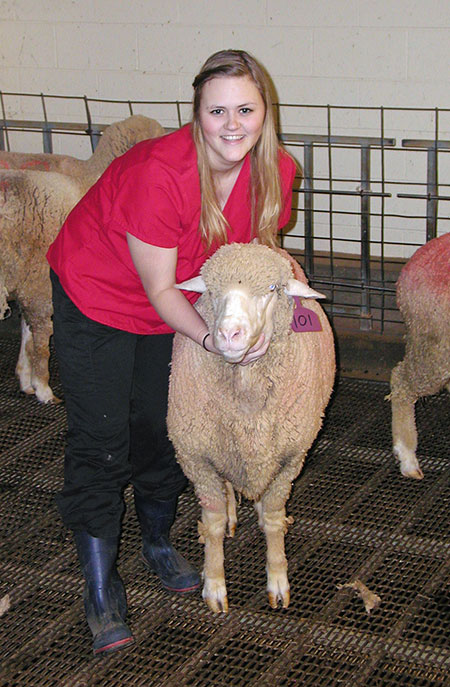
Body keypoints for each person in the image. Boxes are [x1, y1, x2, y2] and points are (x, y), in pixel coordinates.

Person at [46, 49, 297, 655]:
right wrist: (214, 341)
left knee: (164, 428)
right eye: (217, 111)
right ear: (196, 114)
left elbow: (248, 260)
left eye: (245, 109)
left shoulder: (277, 172)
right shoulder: (160, 172)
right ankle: (101, 587)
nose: (232, 124)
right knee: (103, 438)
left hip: (181, 305)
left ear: (266, 112)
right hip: (101, 297)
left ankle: (157, 542)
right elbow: (157, 288)